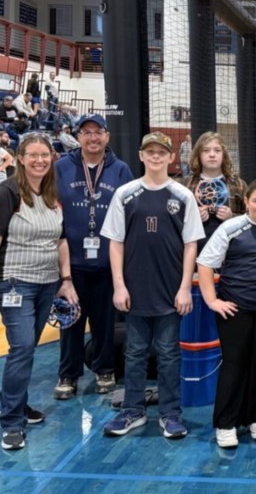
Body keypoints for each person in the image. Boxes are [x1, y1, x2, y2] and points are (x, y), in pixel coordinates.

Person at [100, 132, 205, 439]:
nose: (156, 157)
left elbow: (191, 245)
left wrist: (185, 287)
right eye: (150, 152)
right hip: (135, 291)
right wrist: (119, 286)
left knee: (169, 354)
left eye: (162, 152)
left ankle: (170, 413)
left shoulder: (183, 196)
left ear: (171, 157)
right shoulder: (125, 194)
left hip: (170, 292)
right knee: (134, 353)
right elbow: (115, 243)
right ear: (141, 155)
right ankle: (132, 411)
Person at [0, 132, 78, 450]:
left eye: (45, 155)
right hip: (14, 284)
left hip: (48, 284)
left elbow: (61, 241)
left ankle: (15, 403)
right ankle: (11, 421)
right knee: (21, 347)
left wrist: (66, 280)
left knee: (27, 348)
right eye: (33, 155)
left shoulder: (51, 194)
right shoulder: (7, 192)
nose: (39, 160)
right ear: (20, 158)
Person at [197, 179, 256, 448]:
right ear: (247, 202)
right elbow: (205, 264)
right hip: (235, 309)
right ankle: (225, 423)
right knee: (234, 364)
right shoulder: (231, 227)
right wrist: (212, 301)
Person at [53, 114, 134, 401]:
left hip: (106, 261)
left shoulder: (121, 170)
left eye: (98, 132)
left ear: (107, 136)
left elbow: (129, 212)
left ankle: (104, 369)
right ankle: (68, 374)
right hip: (70, 262)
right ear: (78, 137)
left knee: (104, 321)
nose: (93, 137)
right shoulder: (61, 167)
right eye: (86, 132)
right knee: (70, 320)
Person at [183, 132, 247, 250]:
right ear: (198, 154)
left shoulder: (239, 185)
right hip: (195, 250)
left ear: (224, 155)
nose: (212, 155)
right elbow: (175, 219)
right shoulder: (186, 185)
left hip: (231, 251)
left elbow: (250, 218)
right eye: (206, 150)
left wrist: (232, 217)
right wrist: (193, 217)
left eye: (217, 150)